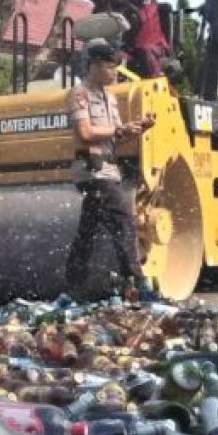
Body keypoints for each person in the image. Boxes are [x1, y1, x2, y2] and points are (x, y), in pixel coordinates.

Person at [65, 41, 157, 300]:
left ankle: (74, 285)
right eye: (109, 66)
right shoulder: (80, 93)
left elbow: (115, 138)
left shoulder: (109, 97)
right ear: (93, 66)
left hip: (109, 170)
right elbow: (85, 133)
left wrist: (136, 129)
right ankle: (137, 283)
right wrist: (119, 129)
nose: (115, 72)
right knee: (123, 219)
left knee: (89, 231)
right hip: (92, 172)